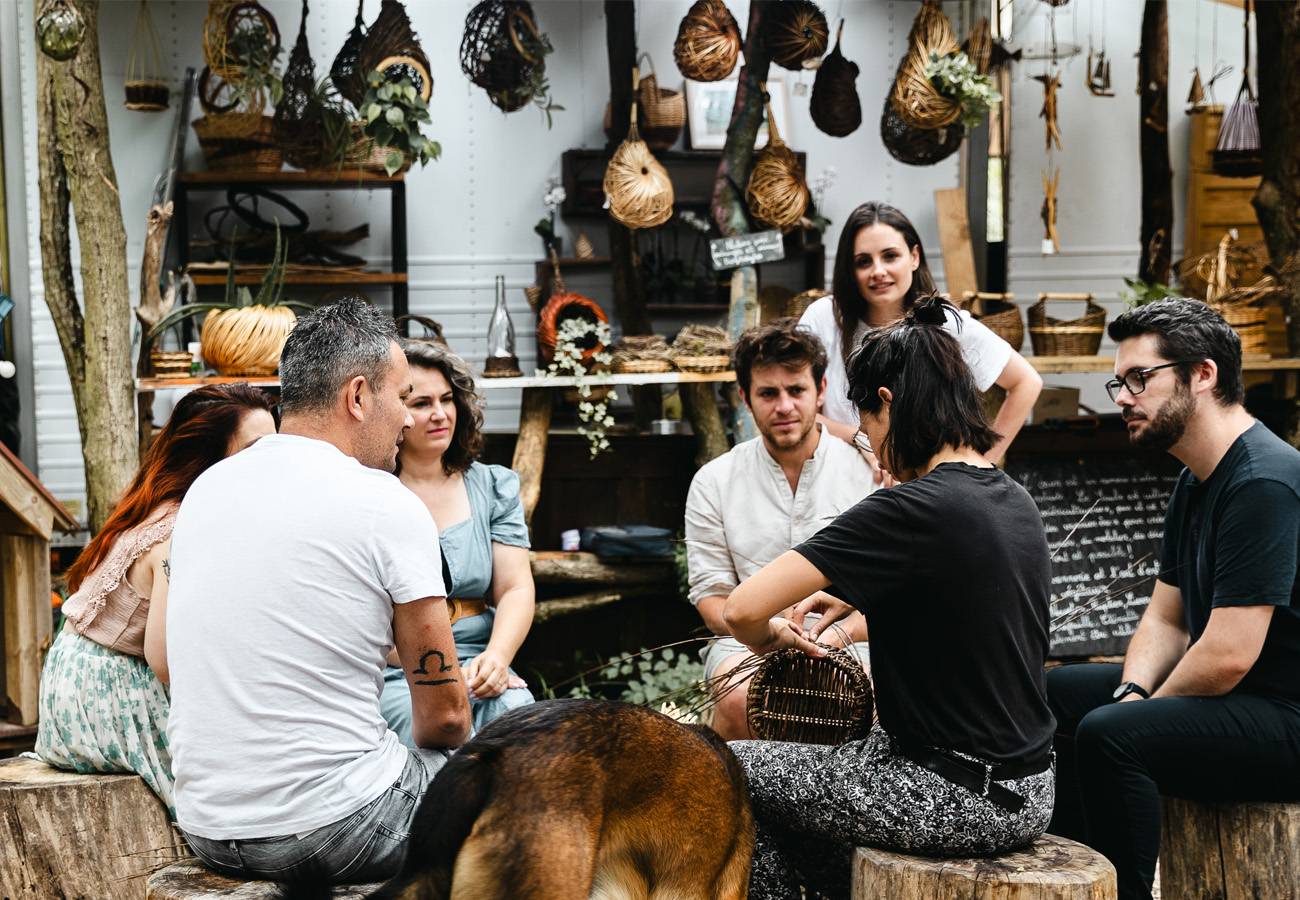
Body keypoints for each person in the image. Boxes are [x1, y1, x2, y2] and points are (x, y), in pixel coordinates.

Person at [724, 296, 1056, 899]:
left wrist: (776, 638)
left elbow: (742, 608)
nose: (871, 445)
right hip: (1028, 785)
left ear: (887, 404)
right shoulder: (1010, 497)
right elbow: (963, 618)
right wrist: (860, 612)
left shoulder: (908, 508)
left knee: (726, 769)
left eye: (869, 425)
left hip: (955, 790)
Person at [165, 298, 472, 884]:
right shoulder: (386, 503)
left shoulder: (207, 489)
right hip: (338, 825)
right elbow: (449, 719)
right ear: (358, 397)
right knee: (504, 784)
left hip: (207, 824)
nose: (409, 420)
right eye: (402, 397)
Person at [1046, 299, 1300, 900]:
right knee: (1055, 695)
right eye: (1119, 382)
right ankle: (1076, 879)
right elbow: (1165, 617)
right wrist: (1134, 691)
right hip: (1241, 699)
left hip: (1286, 715)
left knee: (1111, 735)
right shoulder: (1197, 476)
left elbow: (1229, 654)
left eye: (1140, 378)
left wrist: (1133, 714)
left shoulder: (1264, 479)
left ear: (1202, 375)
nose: (1123, 398)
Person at [32, 384, 276, 814]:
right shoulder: (182, 528)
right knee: (227, 791)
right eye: (257, 451)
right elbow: (164, 659)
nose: (276, 463)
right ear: (209, 459)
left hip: (72, 678)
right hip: (107, 692)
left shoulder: (160, 504)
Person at [685, 318, 874, 741]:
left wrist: (834, 635)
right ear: (745, 400)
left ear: (821, 391)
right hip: (746, 642)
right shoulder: (714, 481)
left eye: (796, 390)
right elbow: (712, 597)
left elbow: (888, 593)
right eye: (768, 393)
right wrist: (767, 632)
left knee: (876, 697)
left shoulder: (866, 472)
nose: (784, 406)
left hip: (850, 637)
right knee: (738, 701)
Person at [799, 202, 1041, 477]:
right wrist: (861, 437)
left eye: (890, 256)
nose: (878, 270)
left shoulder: (944, 322)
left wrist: (979, 470)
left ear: (914, 257)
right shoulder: (823, 318)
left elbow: (1027, 382)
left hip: (922, 497)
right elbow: (797, 411)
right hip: (835, 484)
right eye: (863, 261)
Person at [380, 341, 535, 741]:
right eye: (420, 403)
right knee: (433, 733)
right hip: (400, 667)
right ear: (393, 412)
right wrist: (439, 675)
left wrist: (497, 660)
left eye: (447, 400)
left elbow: (516, 587)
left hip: (480, 659)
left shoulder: (493, 485)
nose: (439, 414)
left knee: (521, 723)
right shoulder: (372, 493)